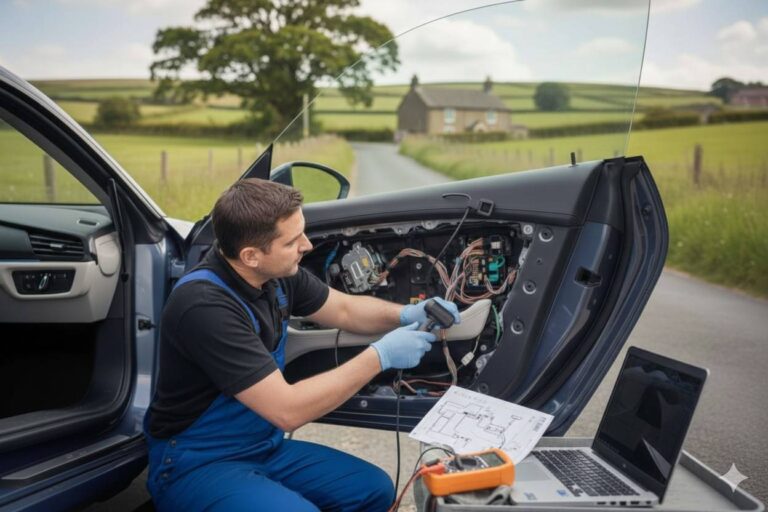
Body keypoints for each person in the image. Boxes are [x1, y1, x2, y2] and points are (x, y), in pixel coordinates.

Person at [143, 178, 460, 512]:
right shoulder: (204, 306)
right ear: (251, 255)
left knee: (374, 490)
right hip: (197, 462)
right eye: (293, 240)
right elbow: (287, 410)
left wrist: (408, 313)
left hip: (261, 448)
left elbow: (345, 309)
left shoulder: (276, 275)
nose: (307, 245)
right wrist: (380, 356)